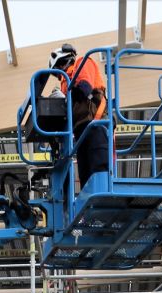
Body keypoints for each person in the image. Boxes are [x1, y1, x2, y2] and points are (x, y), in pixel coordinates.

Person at [46, 43, 109, 190]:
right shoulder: (64, 83)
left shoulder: (82, 63)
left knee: (99, 170)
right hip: (80, 131)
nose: (59, 74)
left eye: (59, 69)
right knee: (85, 176)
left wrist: (66, 97)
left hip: (96, 124)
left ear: (64, 61)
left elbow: (84, 89)